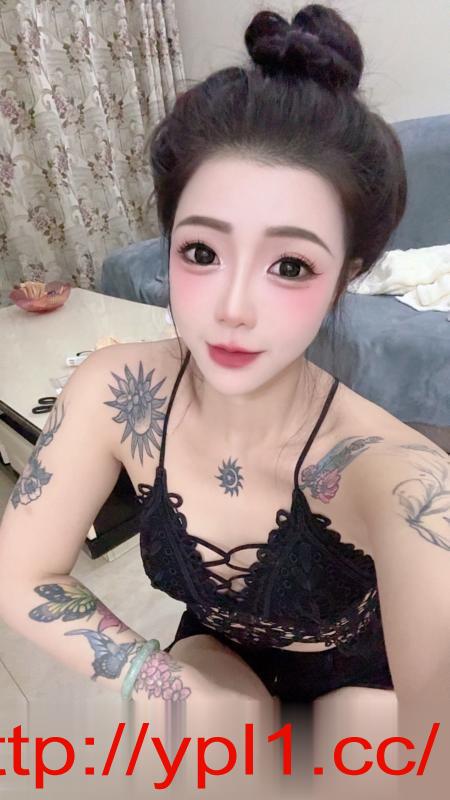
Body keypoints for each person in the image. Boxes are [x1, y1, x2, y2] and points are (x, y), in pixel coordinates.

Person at [0, 4, 448, 798]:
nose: (233, 308)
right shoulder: (115, 393)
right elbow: (21, 569)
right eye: (202, 251)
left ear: (345, 275)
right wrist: (163, 684)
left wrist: (314, 748)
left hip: (363, 689)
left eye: (290, 266)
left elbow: (433, 734)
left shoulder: (398, 479)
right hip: (216, 653)